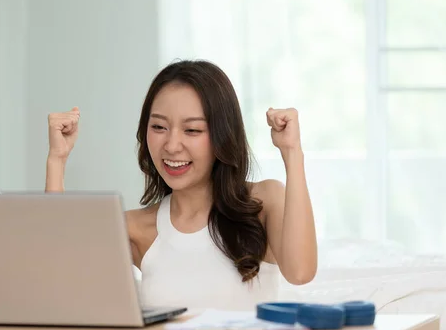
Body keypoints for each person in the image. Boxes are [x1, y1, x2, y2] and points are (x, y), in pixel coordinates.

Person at [45, 60, 317, 311]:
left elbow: (301, 272)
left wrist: (292, 152)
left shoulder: (263, 201)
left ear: (222, 135)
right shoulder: (136, 227)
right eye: (159, 127)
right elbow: (57, 272)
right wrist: (57, 161)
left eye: (192, 130)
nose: (172, 146)